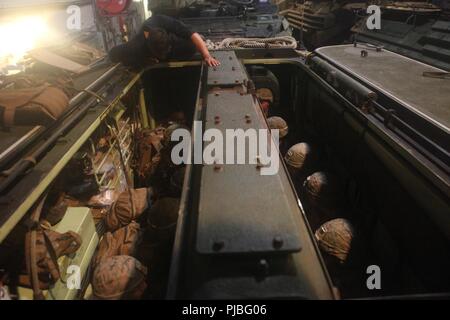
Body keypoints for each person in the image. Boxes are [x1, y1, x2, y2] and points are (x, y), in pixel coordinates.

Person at [109, 14, 220, 68]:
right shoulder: (137, 45)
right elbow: (113, 54)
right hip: (149, 54)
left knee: (192, 46)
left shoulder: (162, 21)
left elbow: (191, 33)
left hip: (175, 44)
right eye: (160, 54)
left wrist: (207, 55)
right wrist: (143, 62)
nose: (162, 56)